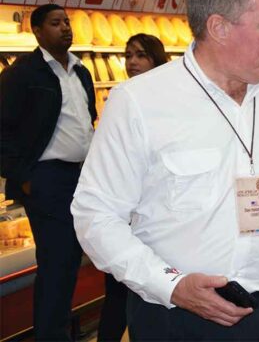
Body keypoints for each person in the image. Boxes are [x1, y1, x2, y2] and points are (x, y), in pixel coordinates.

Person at [72, 0, 259, 342]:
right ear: (219, 28)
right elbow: (96, 216)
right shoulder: (139, 102)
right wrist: (171, 285)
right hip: (181, 317)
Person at [0, 3, 96, 341]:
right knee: (58, 262)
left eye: (67, 21)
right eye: (56, 23)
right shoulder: (23, 74)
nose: (65, 28)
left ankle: (57, 330)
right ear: (37, 31)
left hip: (80, 178)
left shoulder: (81, 71)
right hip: (46, 179)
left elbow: (88, 117)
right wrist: (23, 175)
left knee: (71, 260)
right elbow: (3, 129)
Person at [96, 33, 169, 342]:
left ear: (157, 58)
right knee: (118, 292)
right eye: (128, 55)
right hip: (125, 214)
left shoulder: (172, 99)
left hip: (160, 218)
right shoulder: (122, 97)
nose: (133, 62)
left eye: (141, 55)